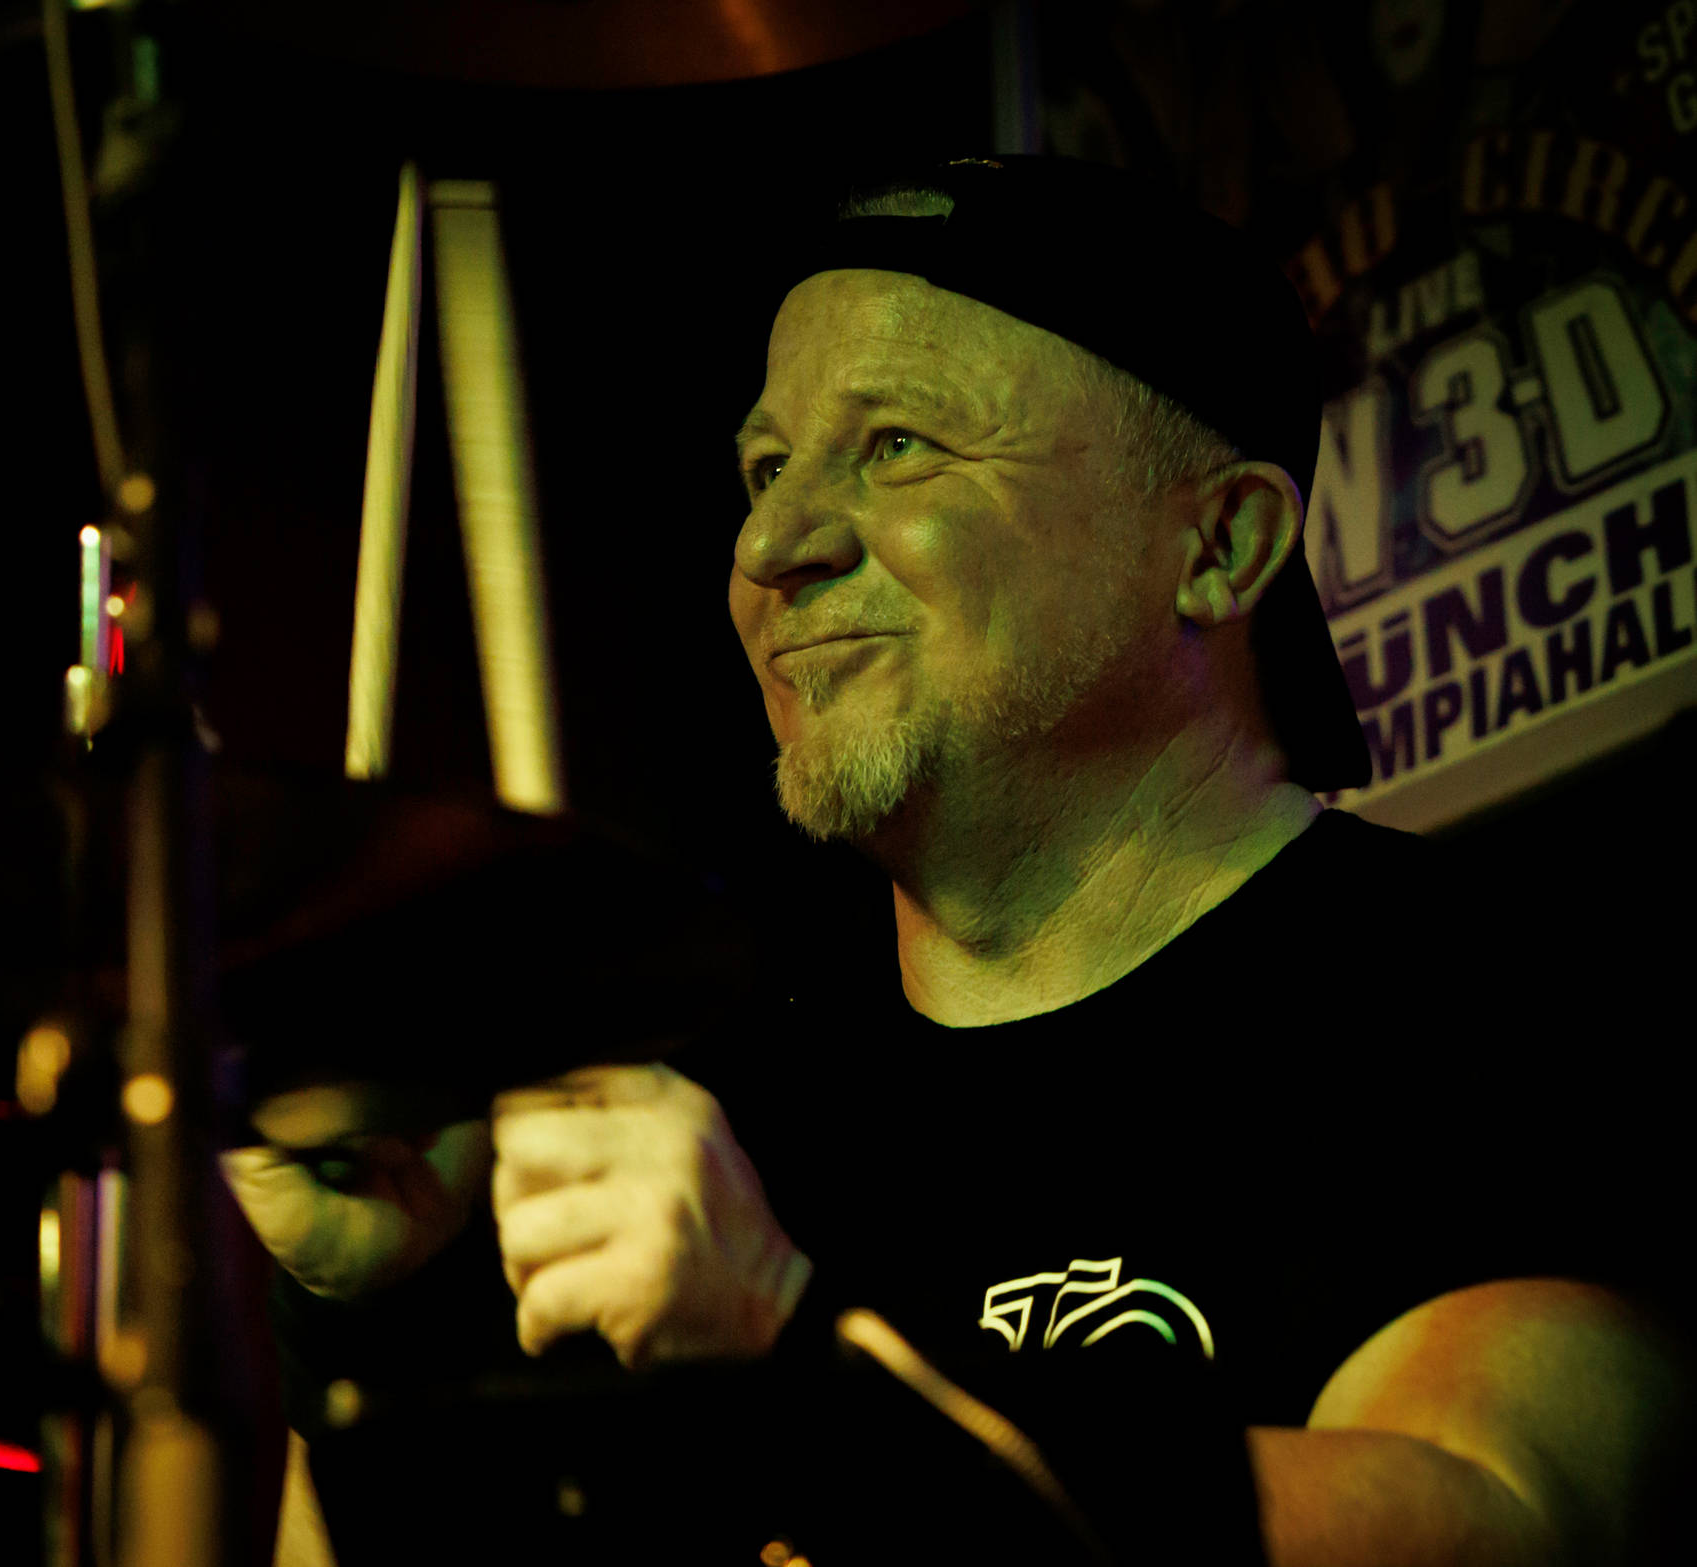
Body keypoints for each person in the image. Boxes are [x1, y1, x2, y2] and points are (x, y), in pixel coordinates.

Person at [223, 155, 1690, 1566]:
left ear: (1220, 548)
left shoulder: (1500, 990)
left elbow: (1502, 1515)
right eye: (764, 468)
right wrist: (360, 1315)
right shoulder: (719, 1119)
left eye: (896, 446)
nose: (773, 545)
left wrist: (803, 1378)